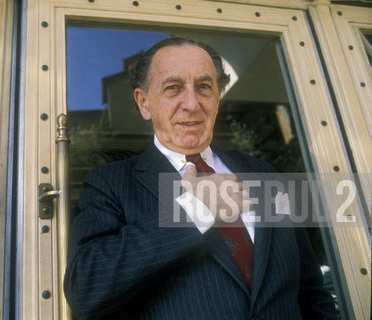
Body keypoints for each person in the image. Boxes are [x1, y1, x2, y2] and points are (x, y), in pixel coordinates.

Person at [64, 37, 337, 319]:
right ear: (144, 103)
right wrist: (196, 211)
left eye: (204, 87)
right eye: (173, 88)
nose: (192, 104)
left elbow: (309, 289)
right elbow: (86, 288)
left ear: (217, 97)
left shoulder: (264, 173)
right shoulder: (110, 183)